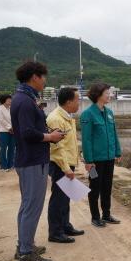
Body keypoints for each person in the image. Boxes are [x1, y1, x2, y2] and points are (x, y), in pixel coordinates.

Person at [11, 61, 65, 261]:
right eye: (44, 77)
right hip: (32, 161)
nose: (45, 81)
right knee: (32, 207)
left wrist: (49, 135)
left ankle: (24, 246)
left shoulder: (22, 98)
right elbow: (26, 132)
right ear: (35, 76)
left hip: (29, 159)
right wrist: (49, 136)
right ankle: (26, 254)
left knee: (27, 205)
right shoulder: (25, 101)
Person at [80, 83, 122, 227]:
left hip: (109, 158)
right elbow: (86, 139)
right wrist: (88, 160)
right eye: (107, 93)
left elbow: (114, 134)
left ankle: (106, 214)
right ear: (98, 95)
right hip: (95, 161)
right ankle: (95, 217)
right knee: (94, 187)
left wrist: (117, 151)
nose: (109, 95)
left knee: (107, 186)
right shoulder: (87, 114)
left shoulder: (109, 112)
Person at [46, 87, 84, 243]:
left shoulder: (67, 116)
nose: (79, 102)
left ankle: (65, 225)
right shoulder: (56, 118)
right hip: (60, 164)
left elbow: (70, 143)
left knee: (65, 197)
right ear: (69, 101)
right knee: (58, 198)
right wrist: (66, 168)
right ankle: (55, 232)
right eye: (77, 99)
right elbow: (57, 147)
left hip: (68, 163)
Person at [0, 94, 15, 171]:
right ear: (4, 100)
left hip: (13, 131)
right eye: (8, 99)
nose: (10, 101)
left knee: (12, 148)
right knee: (3, 149)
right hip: (3, 131)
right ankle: (3, 166)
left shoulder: (11, 108)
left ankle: (11, 165)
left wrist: (14, 127)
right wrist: (10, 128)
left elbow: (14, 119)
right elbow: (1, 120)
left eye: (10, 99)